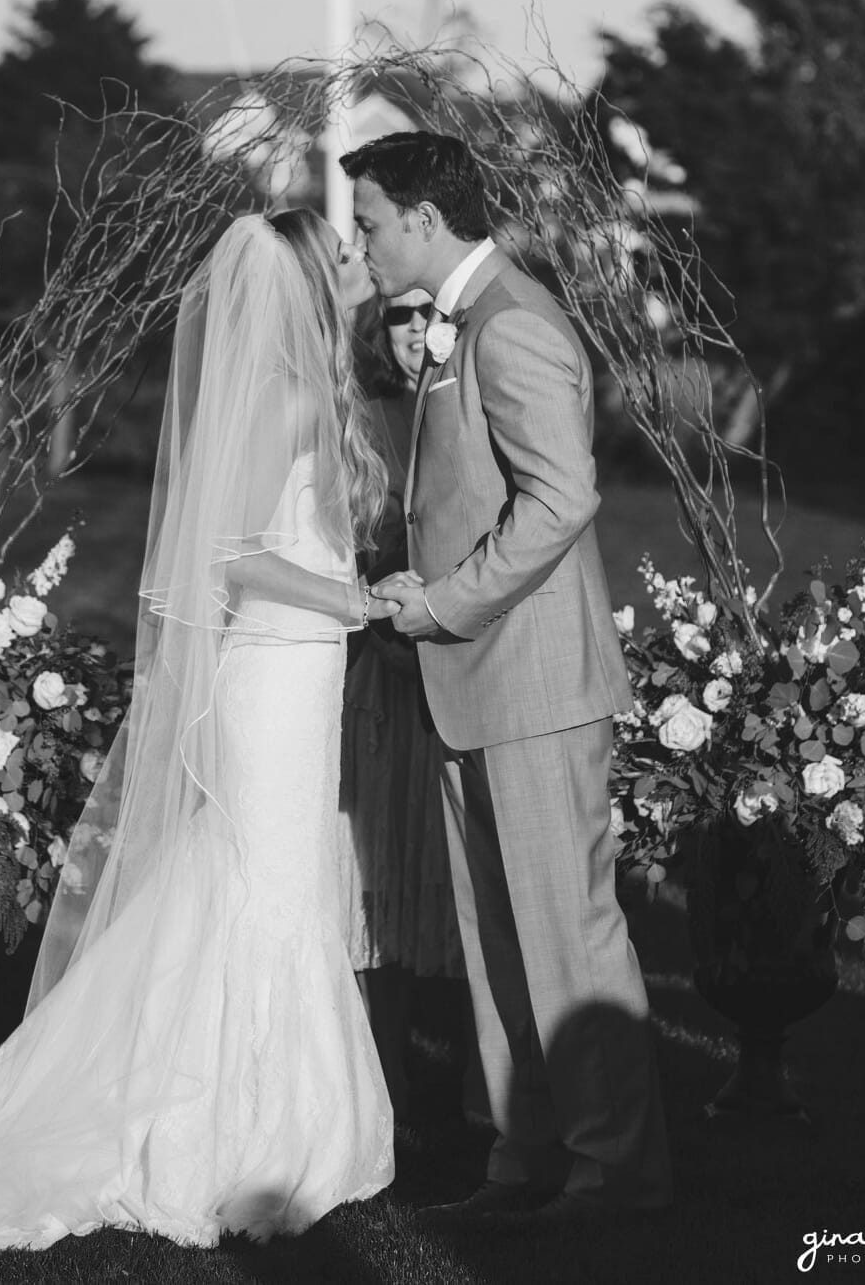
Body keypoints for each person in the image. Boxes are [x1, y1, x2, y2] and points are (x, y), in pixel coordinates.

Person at [0, 210, 400, 1254]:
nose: (347, 267)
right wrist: (353, 602)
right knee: (258, 883)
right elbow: (224, 558)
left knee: (276, 882)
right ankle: (223, 1127)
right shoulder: (285, 402)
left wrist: (348, 599)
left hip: (301, 677)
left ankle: (283, 1117)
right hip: (271, 681)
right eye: (332, 259)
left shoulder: (309, 397)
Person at [342, 131, 672, 1231]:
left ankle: (609, 1176)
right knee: (495, 938)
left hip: (528, 681)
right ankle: (522, 1158)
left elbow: (560, 500)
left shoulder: (514, 322)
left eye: (373, 222)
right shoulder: (461, 325)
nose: (365, 243)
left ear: (426, 221)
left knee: (566, 935)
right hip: (468, 679)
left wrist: (441, 602)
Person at [338, 289, 467, 1118]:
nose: (419, 330)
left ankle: (464, 1080)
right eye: (400, 316)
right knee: (375, 872)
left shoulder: (464, 407)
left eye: (430, 314)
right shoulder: (363, 421)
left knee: (452, 878)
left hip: (457, 666)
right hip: (375, 673)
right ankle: (379, 1075)